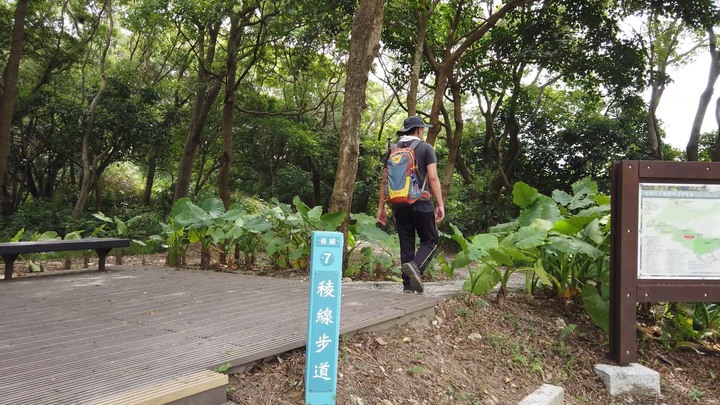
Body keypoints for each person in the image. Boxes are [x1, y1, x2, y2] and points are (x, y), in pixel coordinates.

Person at [377, 115, 445, 294]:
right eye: (422, 129)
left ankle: (407, 287)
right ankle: (416, 266)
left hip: (398, 205)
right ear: (419, 130)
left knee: (406, 243)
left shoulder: (392, 150)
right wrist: (440, 204)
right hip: (421, 203)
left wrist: (381, 208)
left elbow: (384, 181)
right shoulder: (426, 149)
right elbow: (432, 177)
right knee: (430, 241)